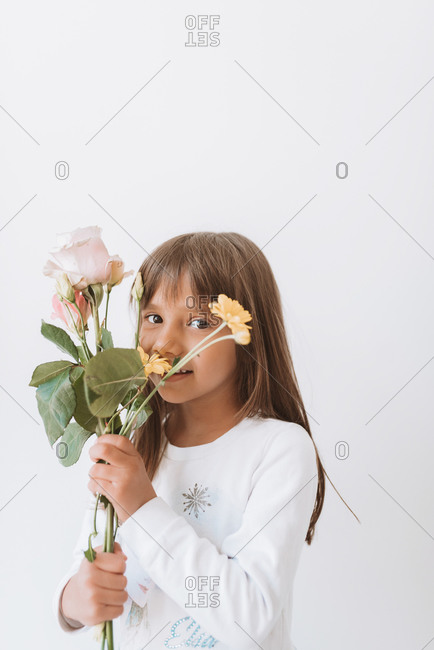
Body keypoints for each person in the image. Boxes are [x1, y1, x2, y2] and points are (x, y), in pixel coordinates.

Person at [52, 231, 354, 649]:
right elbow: (86, 567)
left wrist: (143, 510)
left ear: (247, 332)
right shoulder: (132, 443)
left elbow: (247, 618)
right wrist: (73, 601)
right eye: (153, 317)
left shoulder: (279, 450)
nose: (167, 344)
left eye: (199, 323)